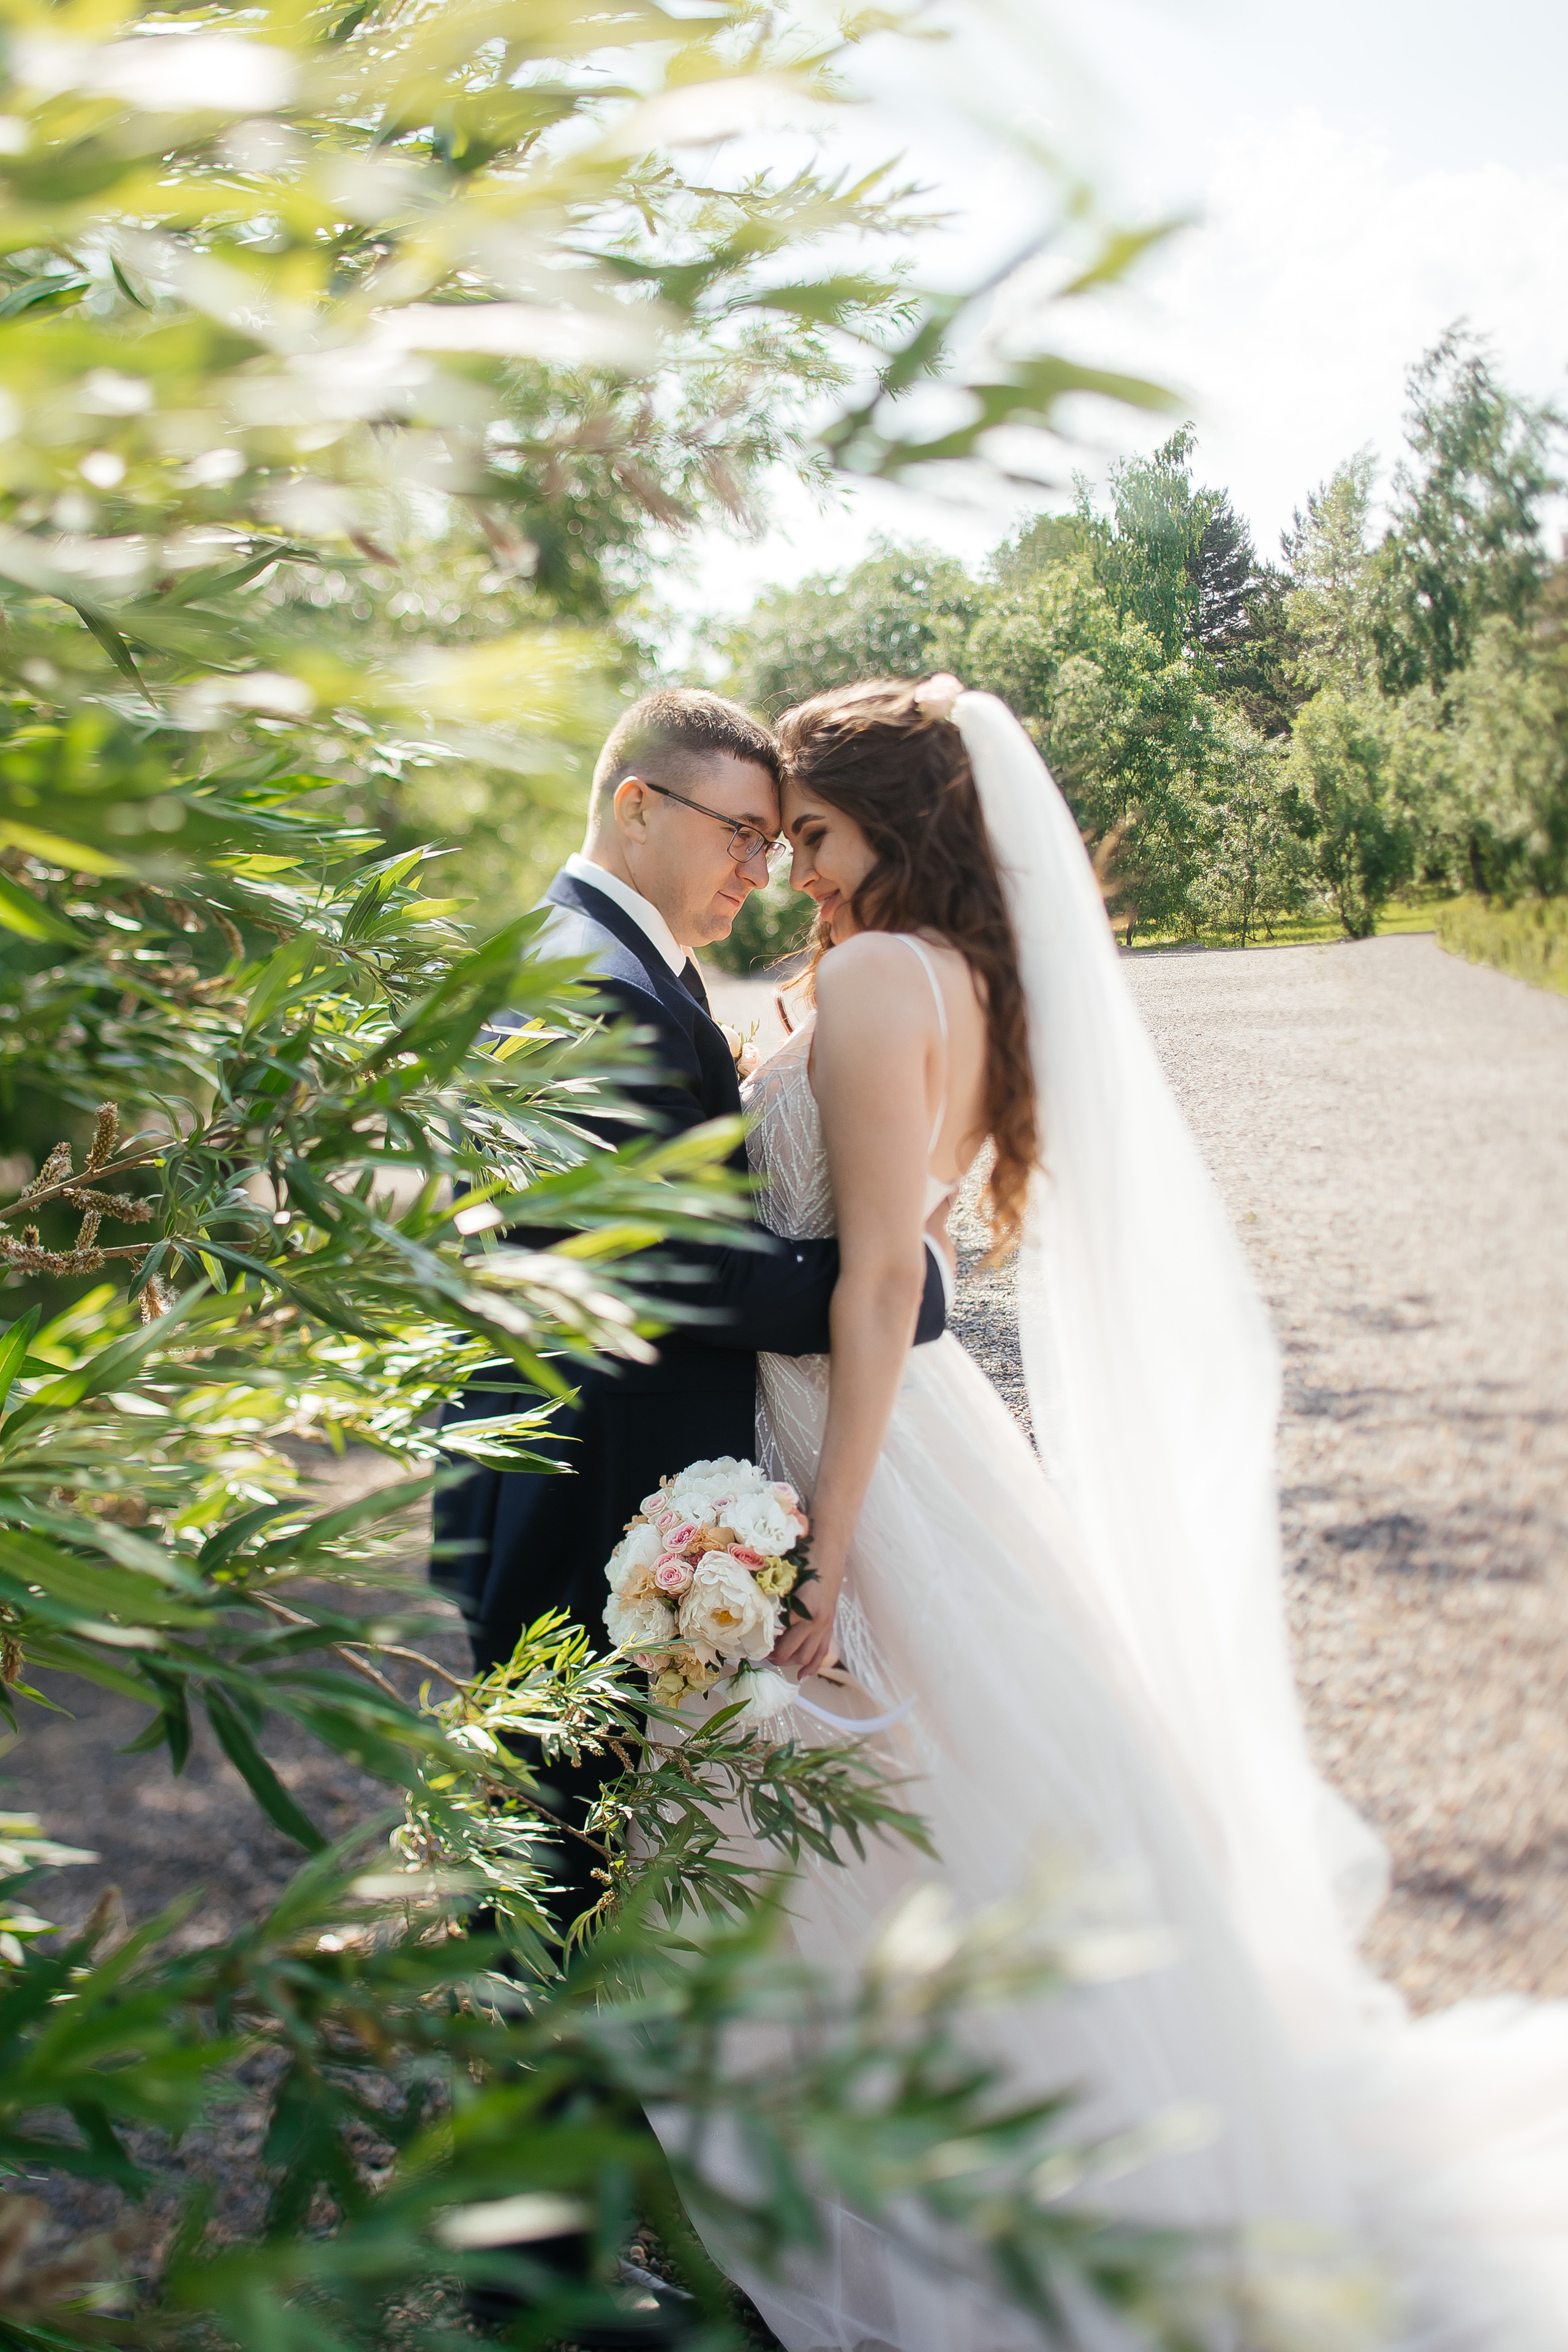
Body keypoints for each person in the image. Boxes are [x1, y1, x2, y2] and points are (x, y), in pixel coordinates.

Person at [650, 678, 1568, 2351]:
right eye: (782, 842)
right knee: (958, 1817)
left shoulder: (868, 976)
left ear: (898, 828)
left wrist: (828, 1539)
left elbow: (873, 1285)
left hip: (851, 1438)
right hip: (928, 1436)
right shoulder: (963, 980)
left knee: (898, 1812)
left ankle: (932, 2215)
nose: (797, 873)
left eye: (819, 838)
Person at [432, 687, 949, 1909]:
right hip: (578, 1507)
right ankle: (550, 2097)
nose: (762, 872)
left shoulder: (597, 961)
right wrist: (888, 1285)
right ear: (635, 807)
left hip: (595, 1491)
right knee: (566, 1875)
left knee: (590, 1867)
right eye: (742, 834)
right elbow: (646, 1260)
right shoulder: (586, 980)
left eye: (778, 843)